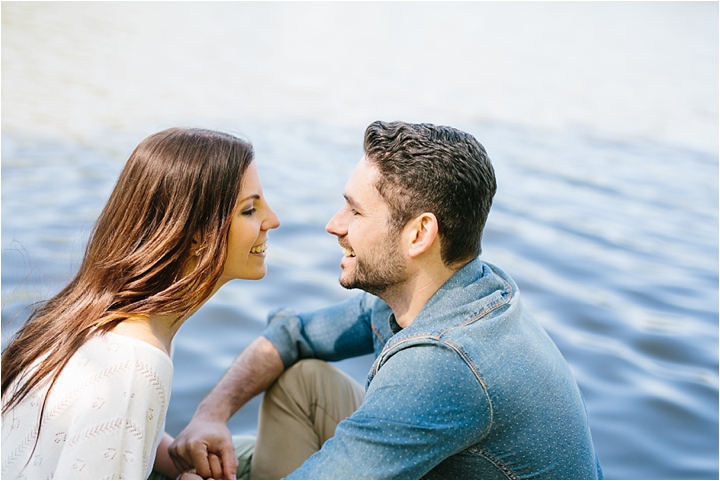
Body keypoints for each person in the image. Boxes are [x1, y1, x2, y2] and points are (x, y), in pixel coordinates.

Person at [170, 121, 603, 480]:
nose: (333, 226)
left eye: (355, 212)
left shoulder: (444, 364)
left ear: (419, 234)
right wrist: (212, 413)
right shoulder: (445, 287)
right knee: (302, 381)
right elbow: (294, 334)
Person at [1, 127, 280, 479]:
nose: (273, 220)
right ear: (195, 233)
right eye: (250, 209)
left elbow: (92, 433)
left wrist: (170, 454)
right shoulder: (135, 366)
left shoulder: (106, 320)